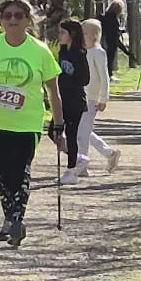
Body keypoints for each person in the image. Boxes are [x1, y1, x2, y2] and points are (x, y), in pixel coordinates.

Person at [0, 0, 63, 247]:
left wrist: (59, 122)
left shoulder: (40, 51)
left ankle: (17, 218)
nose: (12, 20)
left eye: (18, 16)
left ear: (28, 20)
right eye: (7, 15)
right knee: (3, 173)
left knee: (21, 171)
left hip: (28, 122)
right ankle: (9, 218)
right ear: (0, 20)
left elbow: (53, 90)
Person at [80, 19, 121, 175]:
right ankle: (109, 153)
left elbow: (104, 77)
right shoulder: (82, 51)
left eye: (85, 33)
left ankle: (82, 165)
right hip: (79, 96)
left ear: (95, 35)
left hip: (91, 98)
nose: (82, 36)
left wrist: (103, 99)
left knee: (82, 133)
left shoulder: (98, 52)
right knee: (82, 130)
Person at [54, 18, 90, 185]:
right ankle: (79, 158)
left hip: (75, 101)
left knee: (71, 135)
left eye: (63, 32)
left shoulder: (80, 54)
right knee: (53, 132)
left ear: (72, 34)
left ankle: (71, 171)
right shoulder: (63, 53)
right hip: (62, 100)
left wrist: (67, 80)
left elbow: (85, 79)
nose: (59, 35)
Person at [100, 0, 125, 75]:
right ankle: (108, 74)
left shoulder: (104, 16)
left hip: (103, 39)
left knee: (107, 59)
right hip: (110, 40)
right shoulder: (113, 19)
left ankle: (108, 74)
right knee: (109, 58)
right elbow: (113, 31)